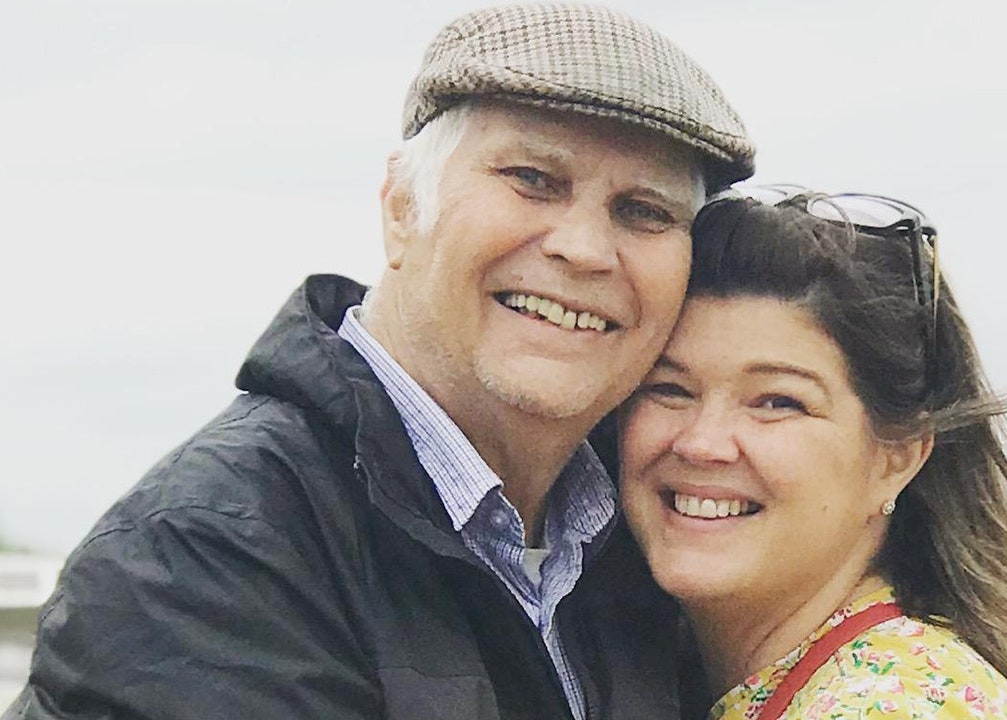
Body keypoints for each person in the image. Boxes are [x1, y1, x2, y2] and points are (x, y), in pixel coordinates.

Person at [5, 5, 753, 720]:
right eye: (532, 180)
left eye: (644, 212)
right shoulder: (205, 554)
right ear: (401, 208)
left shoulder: (654, 535)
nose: (584, 249)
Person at [618, 187, 1007, 719]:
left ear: (897, 456)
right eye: (670, 389)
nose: (701, 442)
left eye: (778, 402)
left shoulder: (886, 706)